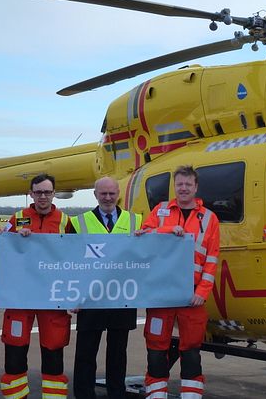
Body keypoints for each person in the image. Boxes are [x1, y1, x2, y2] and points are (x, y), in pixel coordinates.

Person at [143, 165, 220, 399]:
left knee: (191, 352)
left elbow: (212, 258)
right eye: (179, 184)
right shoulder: (160, 210)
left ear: (195, 187)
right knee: (156, 350)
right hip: (161, 294)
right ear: (174, 187)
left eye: (188, 184)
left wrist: (203, 291)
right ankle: (156, 395)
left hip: (192, 297)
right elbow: (143, 236)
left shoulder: (209, 218)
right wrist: (168, 229)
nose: (183, 188)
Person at [70, 177, 143, 399]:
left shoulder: (137, 221)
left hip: (122, 297)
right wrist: (73, 296)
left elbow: (147, 254)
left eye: (112, 193)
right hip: (89, 297)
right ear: (95, 195)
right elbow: (70, 262)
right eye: (103, 194)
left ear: (118, 193)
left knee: (118, 353)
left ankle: (117, 393)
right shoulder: (78, 222)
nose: (108, 198)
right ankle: (83, 394)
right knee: (85, 353)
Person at [0, 174, 71, 399]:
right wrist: (8, 237)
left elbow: (75, 260)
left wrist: (73, 295)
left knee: (53, 350)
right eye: (38, 192)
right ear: (31, 194)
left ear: (53, 194)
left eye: (47, 192)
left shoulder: (65, 221)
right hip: (21, 298)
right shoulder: (18, 218)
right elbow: (2, 249)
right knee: (15, 350)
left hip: (52, 298)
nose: (43, 197)